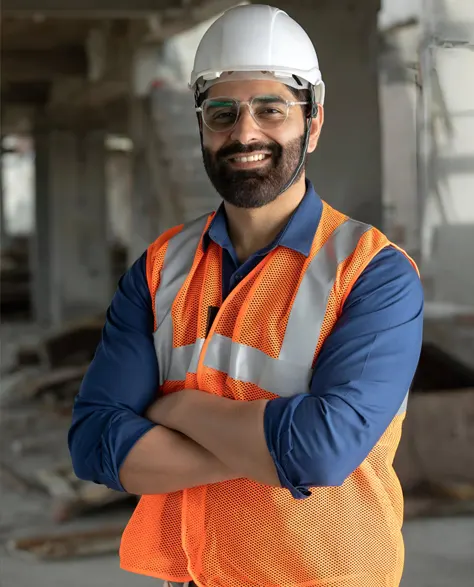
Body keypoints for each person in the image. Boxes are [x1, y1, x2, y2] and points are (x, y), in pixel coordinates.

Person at [68, 4, 424, 587]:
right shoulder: (160, 269)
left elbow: (321, 455)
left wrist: (174, 409)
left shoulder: (373, 273)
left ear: (312, 123)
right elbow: (94, 444)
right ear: (202, 127)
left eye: (271, 110)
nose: (245, 133)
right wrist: (266, 451)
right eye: (222, 113)